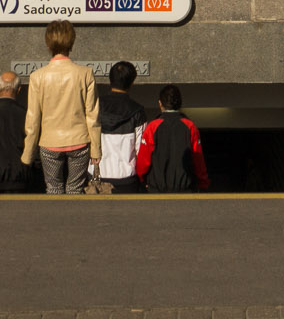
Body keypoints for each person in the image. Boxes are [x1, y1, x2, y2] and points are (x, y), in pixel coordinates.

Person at [20, 19, 101, 195]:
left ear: (48, 43)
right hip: (80, 141)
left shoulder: (37, 76)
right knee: (75, 189)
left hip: (49, 142)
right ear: (71, 41)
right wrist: (96, 149)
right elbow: (92, 116)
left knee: (53, 188)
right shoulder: (85, 74)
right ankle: (75, 221)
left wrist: (27, 154)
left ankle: (54, 221)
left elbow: (33, 119)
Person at [134, 84, 210, 192]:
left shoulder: (152, 127)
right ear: (180, 103)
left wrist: (141, 179)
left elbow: (143, 161)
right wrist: (203, 182)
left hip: (157, 189)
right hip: (185, 189)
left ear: (160, 103)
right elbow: (198, 159)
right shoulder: (190, 126)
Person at [96, 61, 149, 194]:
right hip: (127, 179)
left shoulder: (95, 107)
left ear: (110, 80)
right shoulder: (137, 111)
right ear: (132, 83)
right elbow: (141, 150)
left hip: (97, 177)